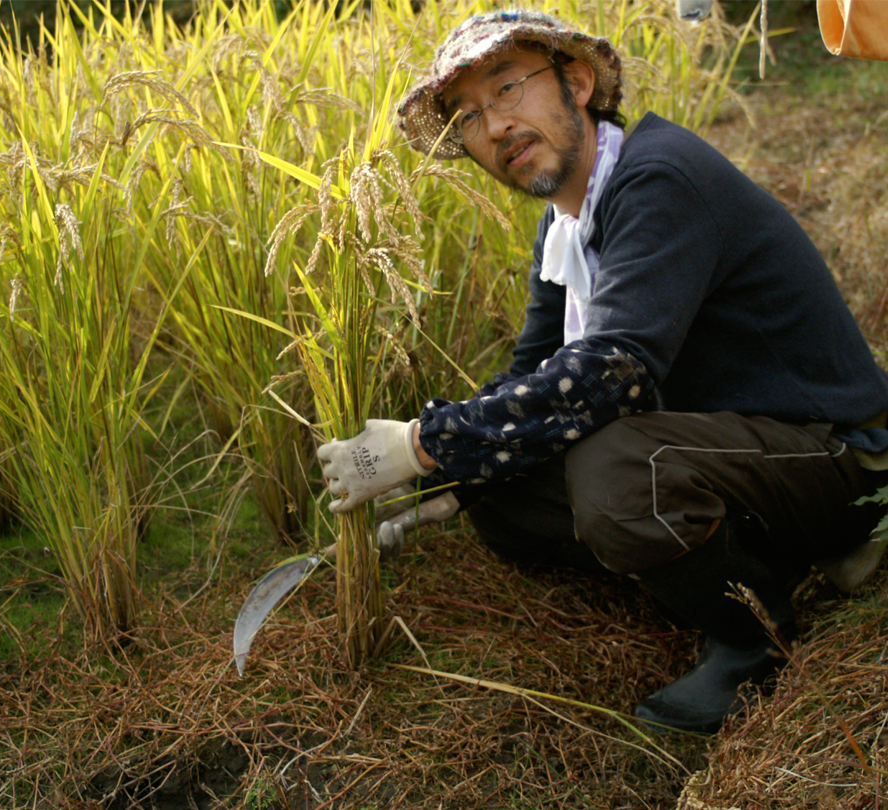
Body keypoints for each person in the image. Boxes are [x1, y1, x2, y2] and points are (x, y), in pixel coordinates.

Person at [316, 9, 888, 734]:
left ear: (578, 83)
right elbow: (533, 370)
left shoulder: (659, 181)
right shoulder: (564, 222)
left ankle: (755, 636)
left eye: (509, 88)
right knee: (499, 489)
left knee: (615, 470)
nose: (494, 127)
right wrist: (446, 479)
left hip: (830, 452)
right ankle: (730, 553)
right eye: (468, 116)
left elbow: (611, 376)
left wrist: (419, 442)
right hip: (722, 446)